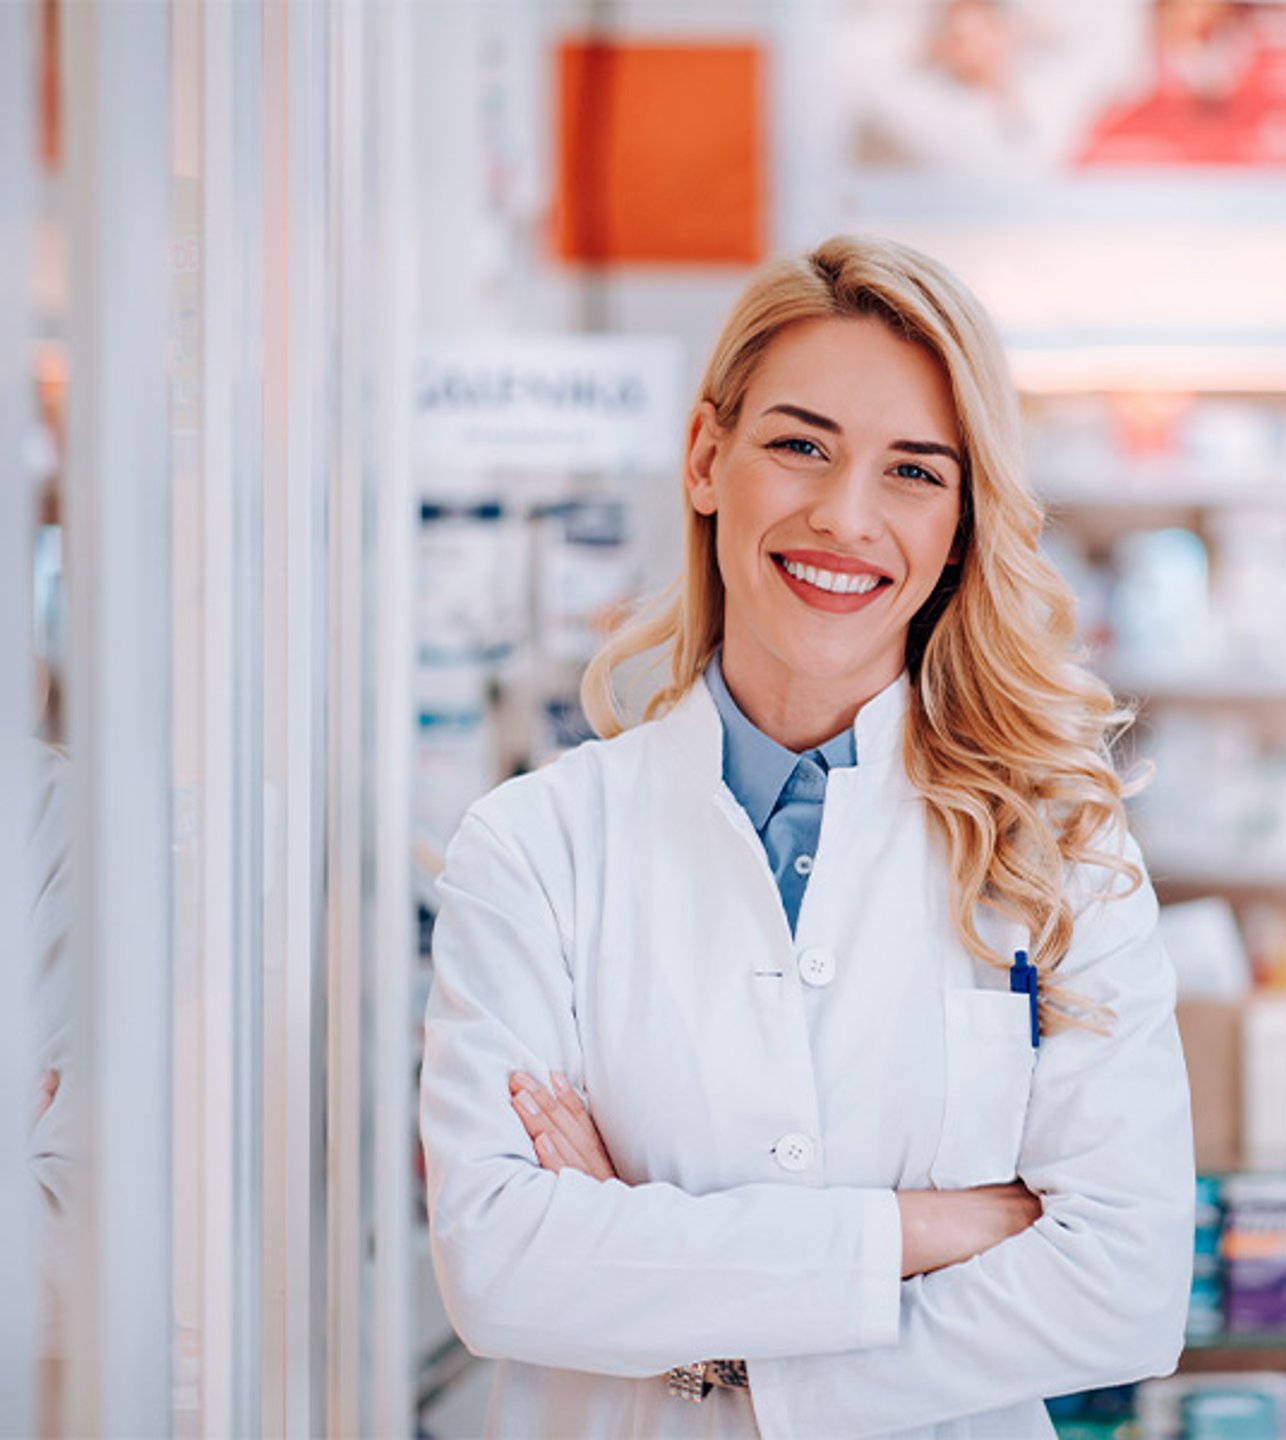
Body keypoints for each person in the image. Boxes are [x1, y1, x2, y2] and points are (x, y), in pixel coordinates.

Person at [420, 234, 1194, 1438]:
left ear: (962, 523)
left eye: (914, 473)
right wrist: (927, 1228)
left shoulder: (1062, 850)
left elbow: (1125, 1289)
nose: (845, 517)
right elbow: (503, 1265)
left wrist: (704, 1338)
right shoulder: (535, 847)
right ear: (705, 457)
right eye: (800, 446)